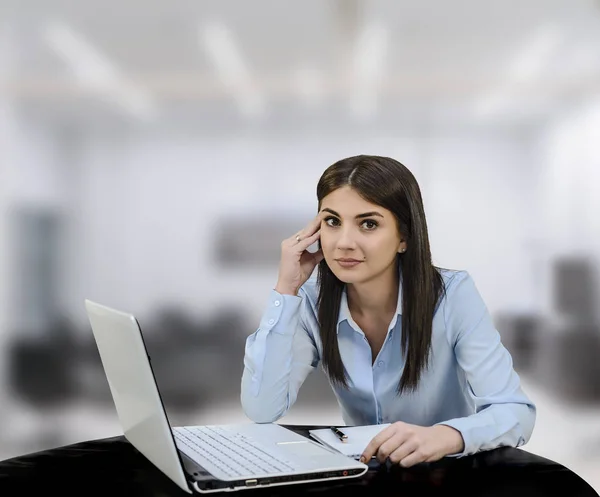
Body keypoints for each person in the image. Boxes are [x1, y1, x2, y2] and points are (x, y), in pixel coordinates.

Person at [241, 154, 536, 467]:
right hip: (363, 474)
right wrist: (286, 290)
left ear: (403, 238)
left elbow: (515, 411)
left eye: (368, 224)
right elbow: (262, 409)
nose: (343, 242)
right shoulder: (311, 302)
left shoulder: (452, 295)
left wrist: (444, 435)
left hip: (446, 472)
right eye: (332, 221)